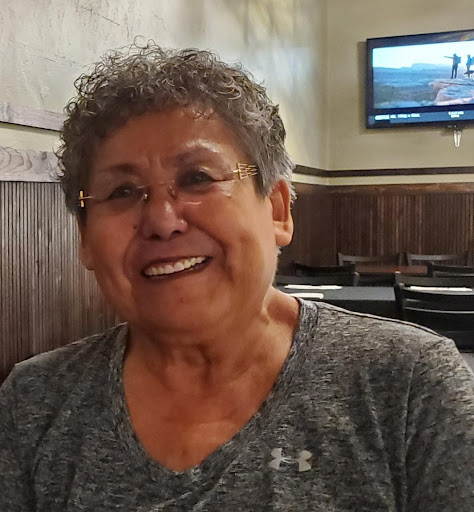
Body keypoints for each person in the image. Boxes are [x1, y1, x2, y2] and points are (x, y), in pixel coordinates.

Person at [1, 42, 473, 511]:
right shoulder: (34, 402)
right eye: (122, 191)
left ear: (277, 210)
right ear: (85, 238)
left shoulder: (409, 385)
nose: (162, 220)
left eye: (198, 178)